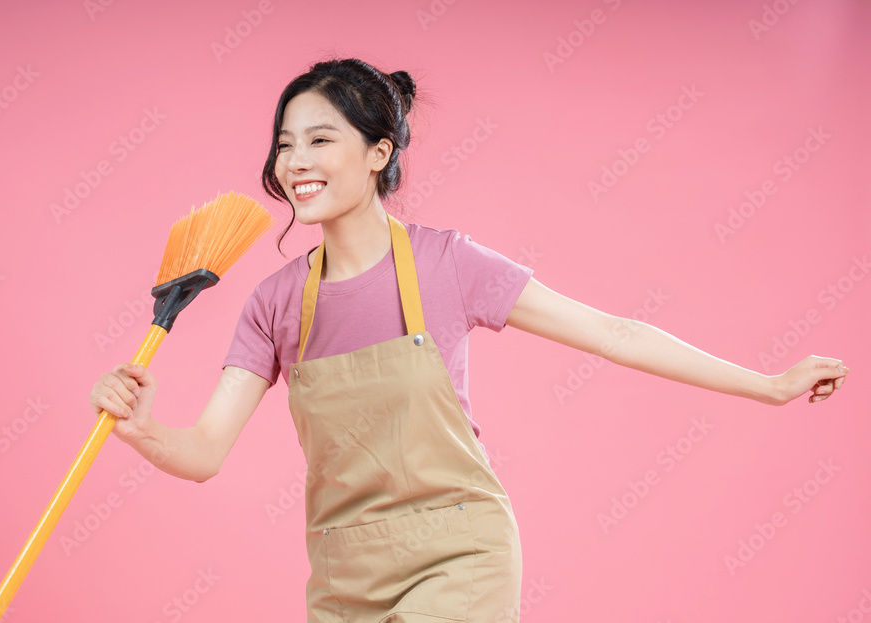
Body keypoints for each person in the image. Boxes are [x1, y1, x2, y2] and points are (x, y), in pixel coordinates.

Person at [88, 58, 849, 621]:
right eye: (286, 144)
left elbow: (613, 332)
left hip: (460, 554)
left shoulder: (449, 264)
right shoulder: (274, 304)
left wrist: (769, 383)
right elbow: (204, 454)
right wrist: (141, 428)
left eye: (320, 139)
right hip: (341, 576)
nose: (296, 163)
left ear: (378, 152)